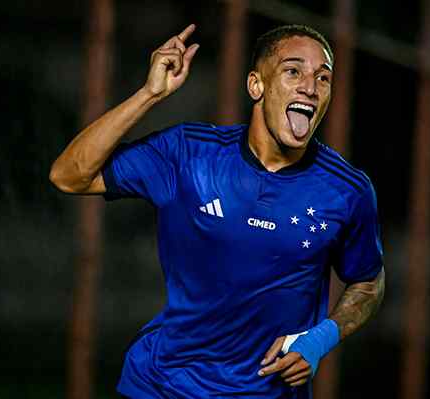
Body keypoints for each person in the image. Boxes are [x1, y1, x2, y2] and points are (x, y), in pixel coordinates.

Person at [50, 23, 385, 399]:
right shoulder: (190, 154)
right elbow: (70, 176)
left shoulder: (347, 191)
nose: (310, 86)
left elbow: (369, 281)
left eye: (323, 78)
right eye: (294, 71)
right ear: (256, 85)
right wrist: (148, 95)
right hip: (162, 386)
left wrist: (319, 340)